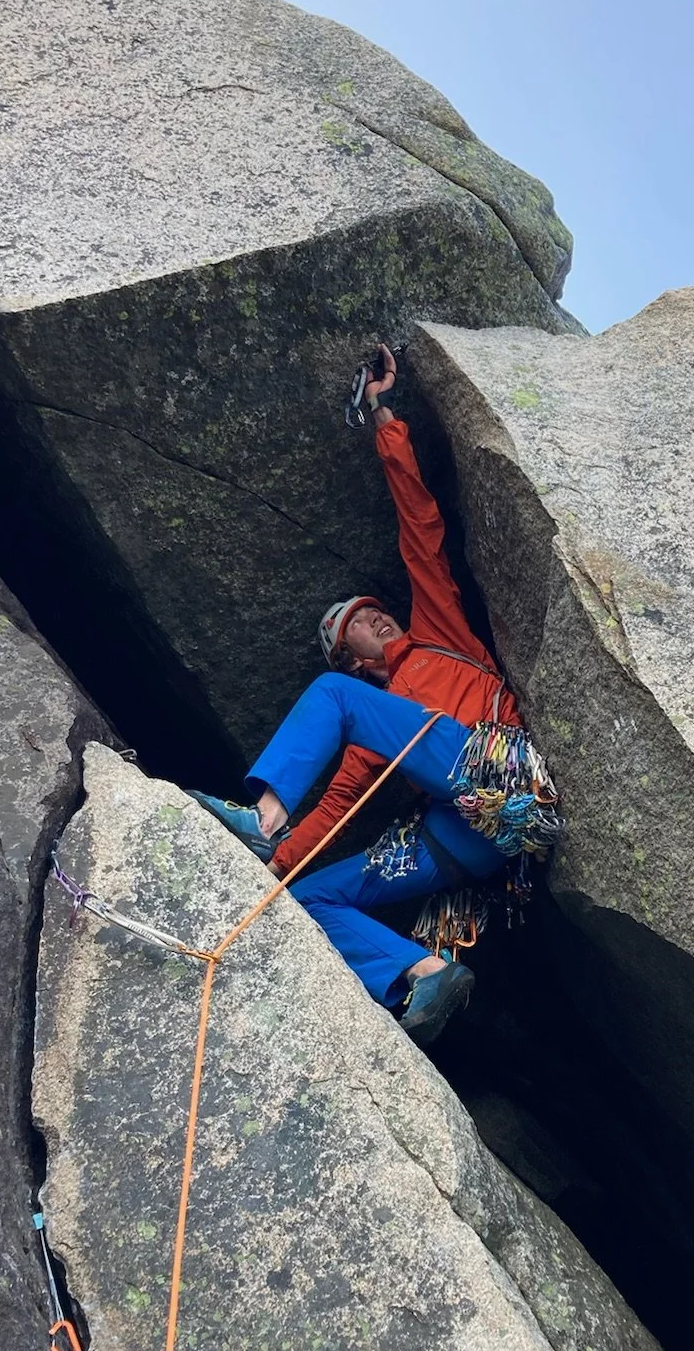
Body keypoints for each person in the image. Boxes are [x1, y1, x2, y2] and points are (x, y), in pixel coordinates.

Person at [194, 345, 557, 1047]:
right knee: (307, 895)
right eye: (355, 625)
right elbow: (332, 810)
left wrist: (382, 415)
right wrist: (260, 874)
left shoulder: (437, 636)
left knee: (329, 700)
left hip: (510, 782)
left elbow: (420, 528)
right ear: (358, 661)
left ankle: (257, 817)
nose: (372, 617)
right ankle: (422, 972)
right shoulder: (367, 721)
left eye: (369, 607)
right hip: (472, 845)